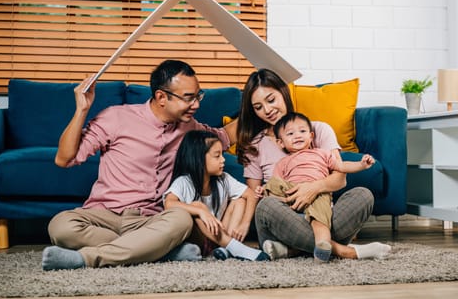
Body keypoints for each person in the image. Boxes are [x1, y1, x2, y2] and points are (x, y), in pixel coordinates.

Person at [42, 59, 237, 270]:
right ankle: (158, 250)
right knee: (60, 226)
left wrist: (259, 104)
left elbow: (224, 136)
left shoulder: (190, 127)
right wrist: (81, 110)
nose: (197, 104)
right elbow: (64, 159)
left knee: (182, 219)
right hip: (104, 214)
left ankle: (87, 259)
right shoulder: (116, 117)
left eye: (198, 96)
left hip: (151, 219)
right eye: (188, 98)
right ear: (162, 97)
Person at [236, 68, 392, 261]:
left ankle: (292, 250)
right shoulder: (255, 146)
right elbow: (256, 194)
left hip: (322, 213)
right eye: (258, 107)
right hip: (283, 218)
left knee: (363, 195)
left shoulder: (318, 130)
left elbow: (339, 179)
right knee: (266, 206)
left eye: (271, 100)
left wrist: (313, 188)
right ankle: (346, 251)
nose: (267, 110)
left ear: (284, 93)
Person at [263, 111, 376, 262]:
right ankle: (342, 250)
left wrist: (361, 165)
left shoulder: (322, 154)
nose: (297, 135)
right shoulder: (282, 163)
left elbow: (342, 166)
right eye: (290, 133)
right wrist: (266, 191)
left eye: (302, 131)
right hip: (292, 197)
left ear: (311, 136)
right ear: (281, 143)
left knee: (319, 220)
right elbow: (276, 184)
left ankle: (321, 246)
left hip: (318, 195)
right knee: (270, 188)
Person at [163, 130, 269, 261]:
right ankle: (235, 247)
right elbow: (169, 204)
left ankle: (226, 248)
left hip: (220, 236)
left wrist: (245, 224)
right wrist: (202, 212)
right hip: (199, 238)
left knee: (240, 200)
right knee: (197, 205)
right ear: (199, 158)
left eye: (222, 155)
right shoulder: (184, 182)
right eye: (217, 156)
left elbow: (251, 195)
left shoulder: (223, 179)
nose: (223, 160)